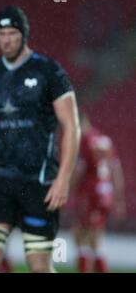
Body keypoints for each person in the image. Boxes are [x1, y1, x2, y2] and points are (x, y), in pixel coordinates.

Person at [0, 6, 81, 273]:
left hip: (39, 180)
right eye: (1, 33)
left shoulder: (48, 71)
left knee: (38, 263)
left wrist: (63, 178)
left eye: (12, 33)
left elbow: (71, 126)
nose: (6, 39)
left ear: (23, 34)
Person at [71, 111, 125, 273]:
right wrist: (118, 197)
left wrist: (67, 189)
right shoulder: (104, 140)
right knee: (94, 238)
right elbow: (116, 169)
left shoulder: (86, 141)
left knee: (81, 236)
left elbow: (79, 170)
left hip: (91, 194)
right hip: (105, 193)